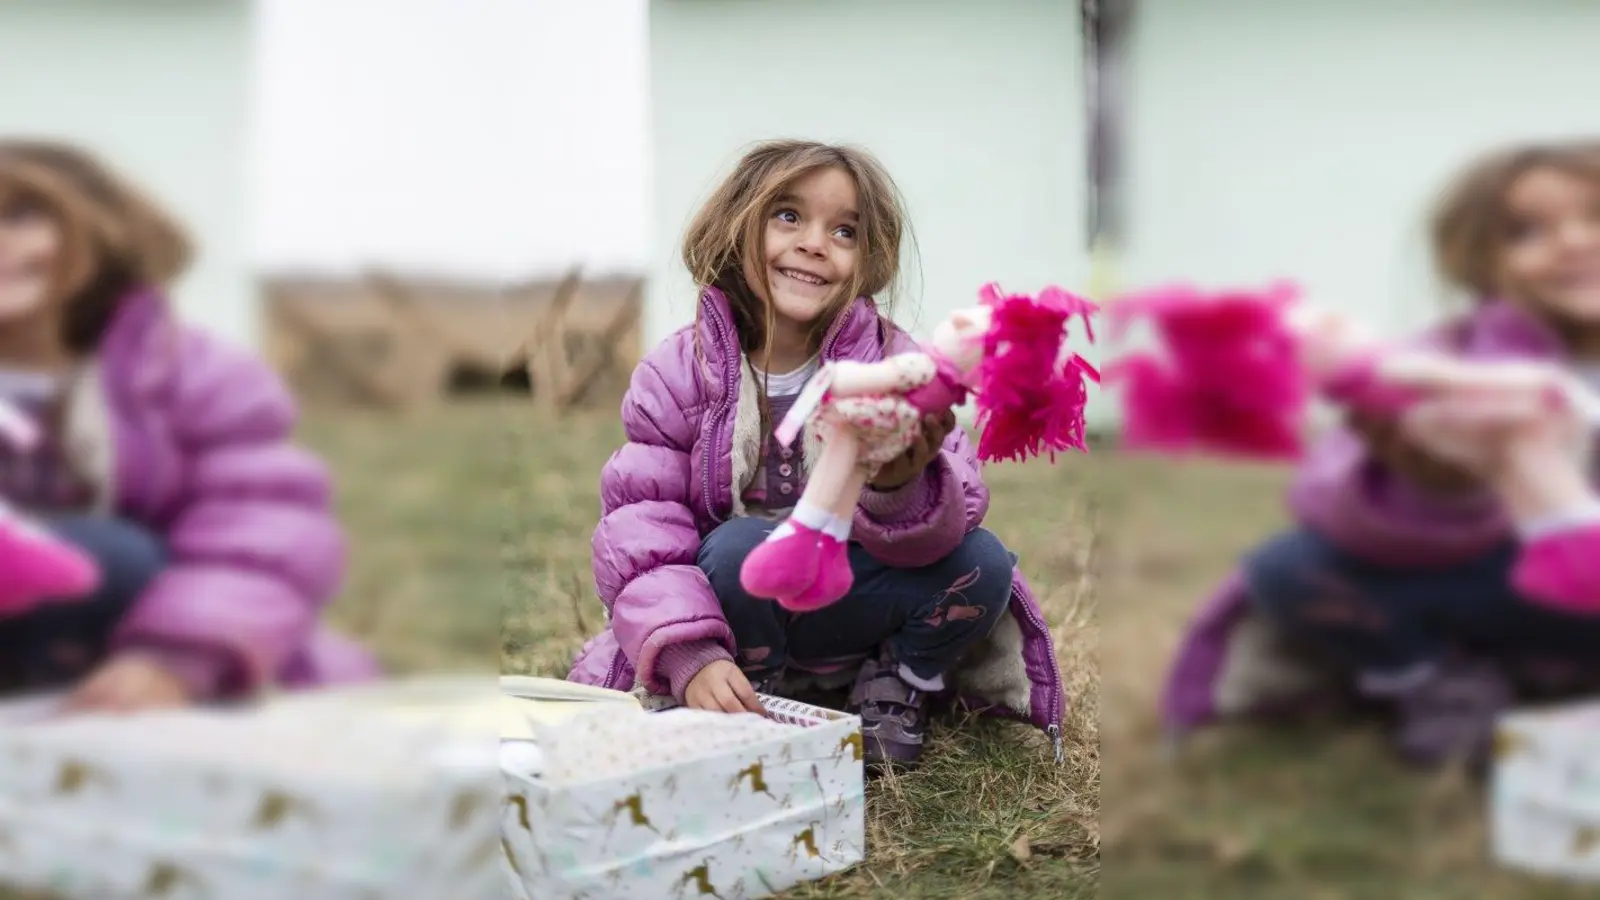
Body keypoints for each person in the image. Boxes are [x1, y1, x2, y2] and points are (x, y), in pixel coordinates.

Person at [566, 140, 1067, 768]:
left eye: (845, 230)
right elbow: (641, 533)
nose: (813, 243)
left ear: (868, 256)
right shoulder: (678, 372)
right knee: (739, 546)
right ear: (736, 224)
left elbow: (961, 504)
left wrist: (900, 485)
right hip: (737, 608)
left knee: (985, 561)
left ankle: (896, 682)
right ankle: (752, 688)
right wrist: (691, 656)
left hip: (854, 603)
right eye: (788, 216)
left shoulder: (895, 363)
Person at [1162, 139, 1600, 770]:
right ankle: (1435, 680)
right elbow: (1341, 509)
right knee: (1293, 567)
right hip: (1492, 581)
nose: (1576, 242)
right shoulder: (1441, 365)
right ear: (1477, 260)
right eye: (1529, 230)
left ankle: (1552, 676)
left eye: (1596, 219)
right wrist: (1433, 468)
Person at [0, 140, 377, 712]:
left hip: (150, 651)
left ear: (101, 230)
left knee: (112, 556)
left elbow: (261, 533)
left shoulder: (193, 376)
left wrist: (176, 657)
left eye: (21, 216)